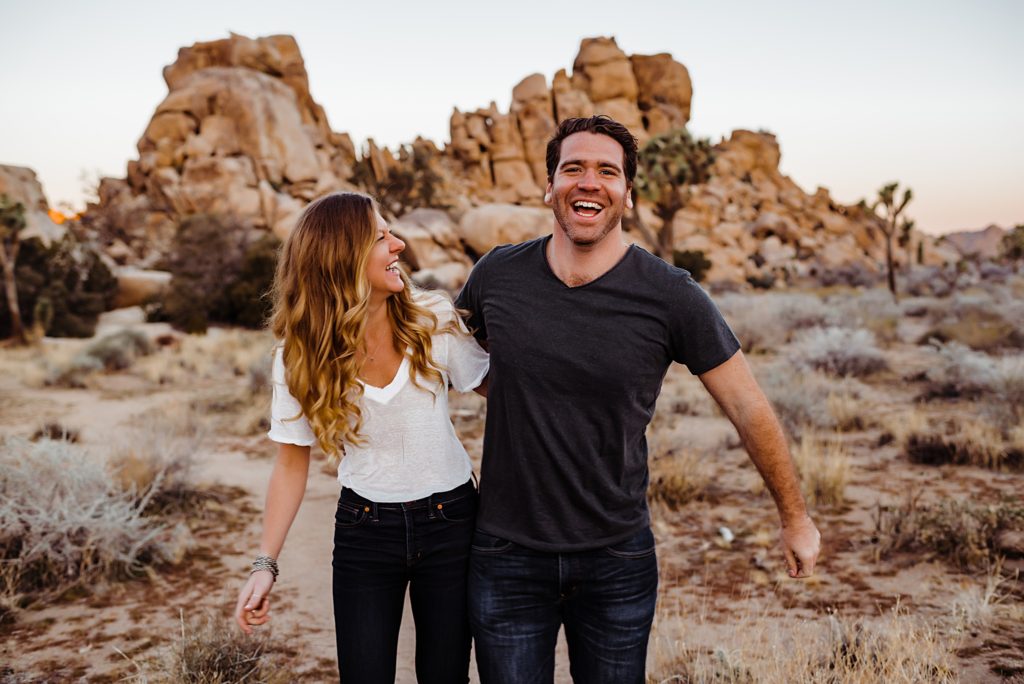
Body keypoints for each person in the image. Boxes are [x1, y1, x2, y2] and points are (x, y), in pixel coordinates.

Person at [455, 115, 821, 683]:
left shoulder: (671, 295)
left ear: (627, 193)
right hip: (506, 553)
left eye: (608, 171)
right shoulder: (497, 274)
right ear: (548, 185)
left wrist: (794, 518)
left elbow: (748, 407)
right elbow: (448, 360)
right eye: (572, 167)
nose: (589, 181)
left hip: (615, 556)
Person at [233, 191, 489, 683]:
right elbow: (290, 464)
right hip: (364, 531)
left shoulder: (431, 318)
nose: (399, 245)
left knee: (446, 674)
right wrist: (264, 564)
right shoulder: (297, 356)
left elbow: (501, 391)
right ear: (342, 258)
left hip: (452, 522)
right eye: (381, 237)